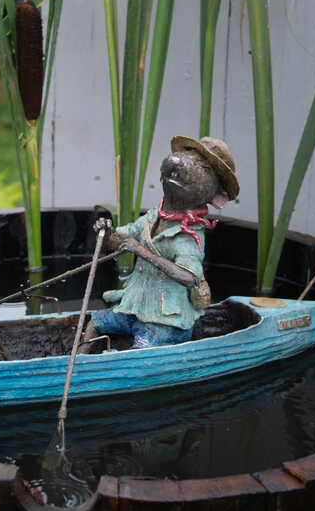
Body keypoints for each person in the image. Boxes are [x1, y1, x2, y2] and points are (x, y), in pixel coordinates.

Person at [83, 135, 240, 350]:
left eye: (201, 168)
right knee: (95, 321)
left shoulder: (190, 236)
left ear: (214, 192)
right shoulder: (153, 217)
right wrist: (108, 233)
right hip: (135, 309)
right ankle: (82, 358)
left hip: (167, 321)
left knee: (141, 347)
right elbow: (119, 241)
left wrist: (142, 252)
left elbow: (189, 276)